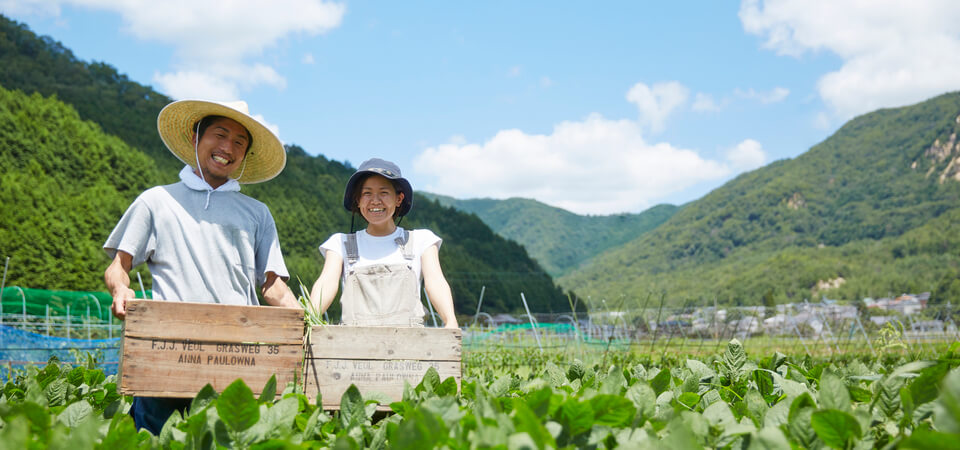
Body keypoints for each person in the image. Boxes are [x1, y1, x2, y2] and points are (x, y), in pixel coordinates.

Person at [103, 99, 299, 434]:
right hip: (167, 350)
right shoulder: (156, 201)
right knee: (156, 438)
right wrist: (121, 289)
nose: (227, 148)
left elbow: (272, 286)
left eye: (239, 142)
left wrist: (304, 322)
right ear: (196, 138)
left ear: (245, 155)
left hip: (238, 354)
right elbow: (118, 266)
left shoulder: (257, 213)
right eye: (220, 135)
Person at [310, 158, 458, 328]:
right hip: (353, 348)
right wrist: (310, 315)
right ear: (358, 200)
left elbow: (436, 282)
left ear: (399, 199)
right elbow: (326, 282)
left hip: (409, 347)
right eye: (367, 193)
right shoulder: (340, 243)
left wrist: (450, 320)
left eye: (384, 192)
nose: (375, 201)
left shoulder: (421, 240)